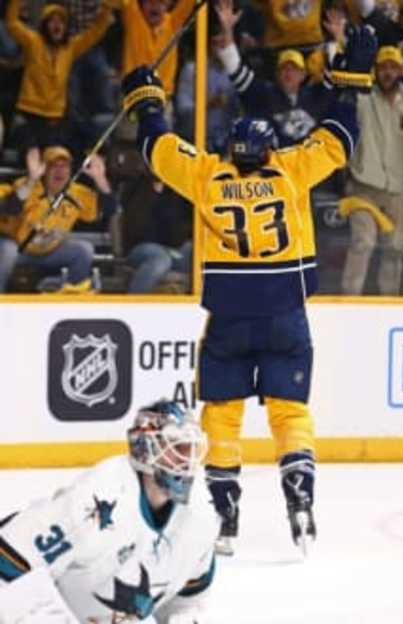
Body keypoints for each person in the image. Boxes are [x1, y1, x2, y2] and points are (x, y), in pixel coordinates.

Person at [121, 24, 377, 554]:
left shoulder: (208, 173)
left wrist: (148, 102)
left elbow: (158, 148)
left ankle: (227, 517)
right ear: (268, 148)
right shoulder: (289, 169)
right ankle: (300, 498)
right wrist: (349, 84)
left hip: (231, 315)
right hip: (286, 309)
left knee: (222, 413)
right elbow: (340, 135)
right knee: (289, 412)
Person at [0, 400, 218, 623]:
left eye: (191, 448)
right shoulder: (97, 497)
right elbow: (9, 557)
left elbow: (188, 602)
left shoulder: (201, 513)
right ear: (144, 447)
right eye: (176, 447)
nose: (187, 461)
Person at [340, 45, 403, 296]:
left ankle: (389, 302)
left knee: (395, 248)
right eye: (383, 67)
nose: (388, 73)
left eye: (393, 67)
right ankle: (349, 301)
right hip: (363, 186)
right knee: (363, 242)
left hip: (398, 189)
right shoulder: (363, 99)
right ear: (375, 70)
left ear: (402, 71)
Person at [214, 0, 350, 147]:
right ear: (277, 74)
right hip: (276, 166)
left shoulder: (317, 96)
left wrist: (338, 38)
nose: (289, 73)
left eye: (294, 69)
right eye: (284, 68)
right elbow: (234, 68)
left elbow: (337, 71)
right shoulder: (263, 95)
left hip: (310, 166)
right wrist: (227, 30)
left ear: (303, 75)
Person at [0, 145, 118, 293]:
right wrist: (31, 179)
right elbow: (11, 209)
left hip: (50, 251)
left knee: (83, 250)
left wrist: (100, 179)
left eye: (64, 166)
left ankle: (70, 292)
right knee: (7, 250)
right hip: (19, 250)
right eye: (53, 166)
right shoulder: (27, 185)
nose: (59, 171)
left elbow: (110, 210)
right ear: (44, 170)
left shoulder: (77, 193)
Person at [5, 0, 117, 153]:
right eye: (52, 21)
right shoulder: (33, 41)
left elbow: (95, 33)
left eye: (61, 22)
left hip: (55, 117)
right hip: (28, 112)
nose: (57, 26)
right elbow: (12, 23)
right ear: (45, 25)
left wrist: (106, 8)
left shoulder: (70, 48)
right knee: (28, 156)